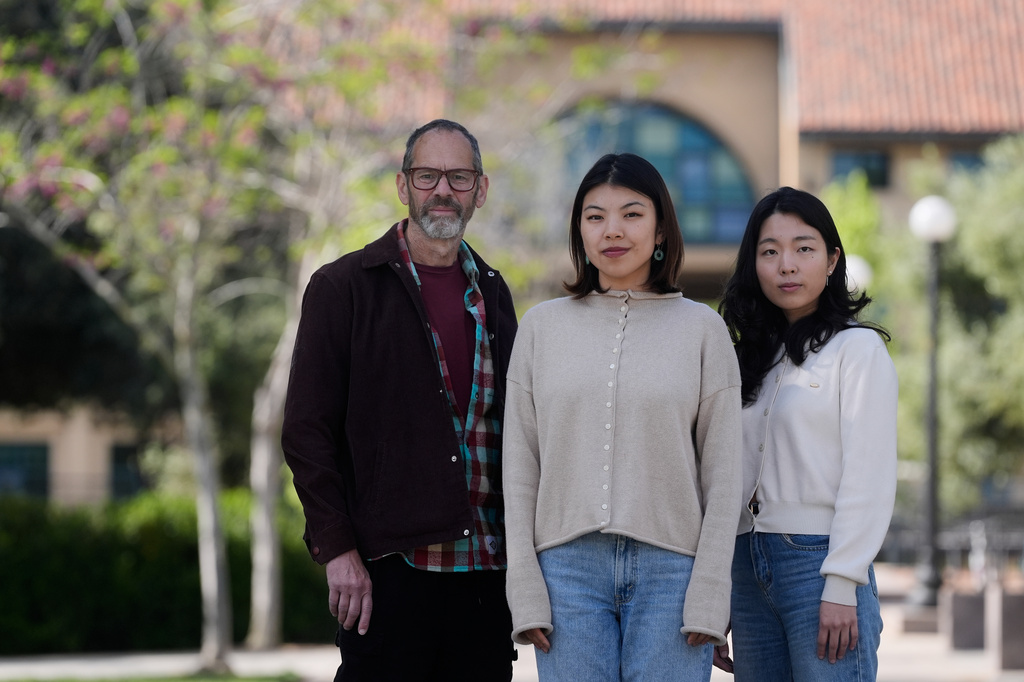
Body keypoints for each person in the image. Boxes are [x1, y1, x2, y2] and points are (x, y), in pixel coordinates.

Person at [281, 119, 518, 681]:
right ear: (402, 185)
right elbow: (306, 433)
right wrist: (337, 551)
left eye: (459, 177)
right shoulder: (343, 289)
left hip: (485, 577)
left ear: (480, 191)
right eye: (427, 174)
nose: (442, 190)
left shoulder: (494, 292)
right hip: (390, 576)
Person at [502, 153, 742, 681]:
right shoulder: (541, 328)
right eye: (595, 216)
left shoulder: (703, 330)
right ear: (579, 232)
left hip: (673, 574)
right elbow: (519, 466)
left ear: (661, 229)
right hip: (565, 572)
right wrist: (524, 586)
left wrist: (710, 593)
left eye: (632, 214)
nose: (612, 230)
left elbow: (724, 475)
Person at [715, 187, 898, 681]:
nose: (786, 265)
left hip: (818, 565)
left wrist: (842, 583)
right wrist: (723, 593)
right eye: (770, 252)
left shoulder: (856, 350)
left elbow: (870, 473)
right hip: (746, 565)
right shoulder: (749, 358)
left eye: (804, 248)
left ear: (833, 259)